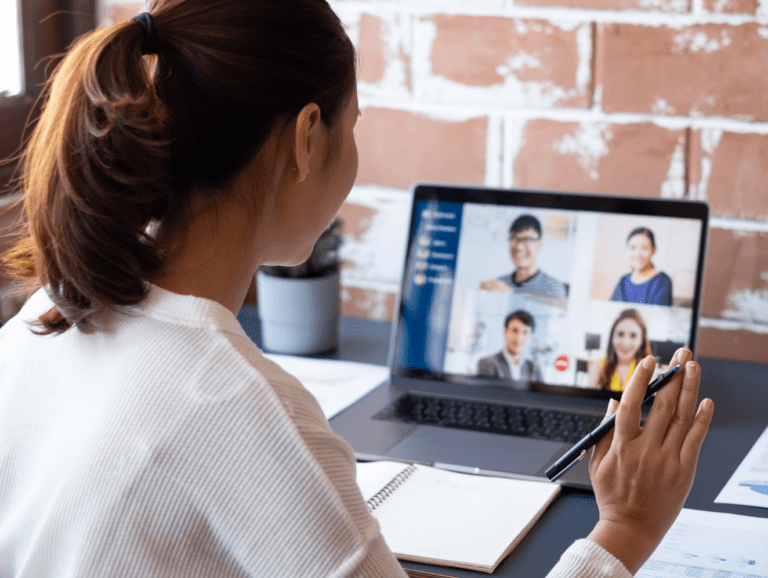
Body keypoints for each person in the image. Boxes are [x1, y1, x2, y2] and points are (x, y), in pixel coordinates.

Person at [0, 2, 713, 577]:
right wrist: (626, 529)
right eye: (355, 124)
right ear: (306, 138)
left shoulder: (47, 316)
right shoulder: (233, 407)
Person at [480, 214, 568, 299]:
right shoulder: (499, 284)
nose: (519, 246)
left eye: (526, 239)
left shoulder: (553, 287)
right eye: (514, 239)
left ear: (539, 244)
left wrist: (510, 297)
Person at [588, 309, 653, 392]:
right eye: (620, 334)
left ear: (641, 341)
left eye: (633, 336)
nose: (626, 343)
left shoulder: (646, 370)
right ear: (612, 338)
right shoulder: (598, 366)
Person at [477, 310, 542, 385]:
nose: (519, 338)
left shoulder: (534, 369)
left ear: (530, 337)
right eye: (515, 331)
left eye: (525, 332)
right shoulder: (488, 364)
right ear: (505, 332)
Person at [611, 227, 673, 306]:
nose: (638, 254)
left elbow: (658, 316)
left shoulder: (662, 282)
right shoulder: (623, 281)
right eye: (633, 248)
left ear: (654, 250)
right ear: (626, 249)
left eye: (644, 248)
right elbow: (610, 311)